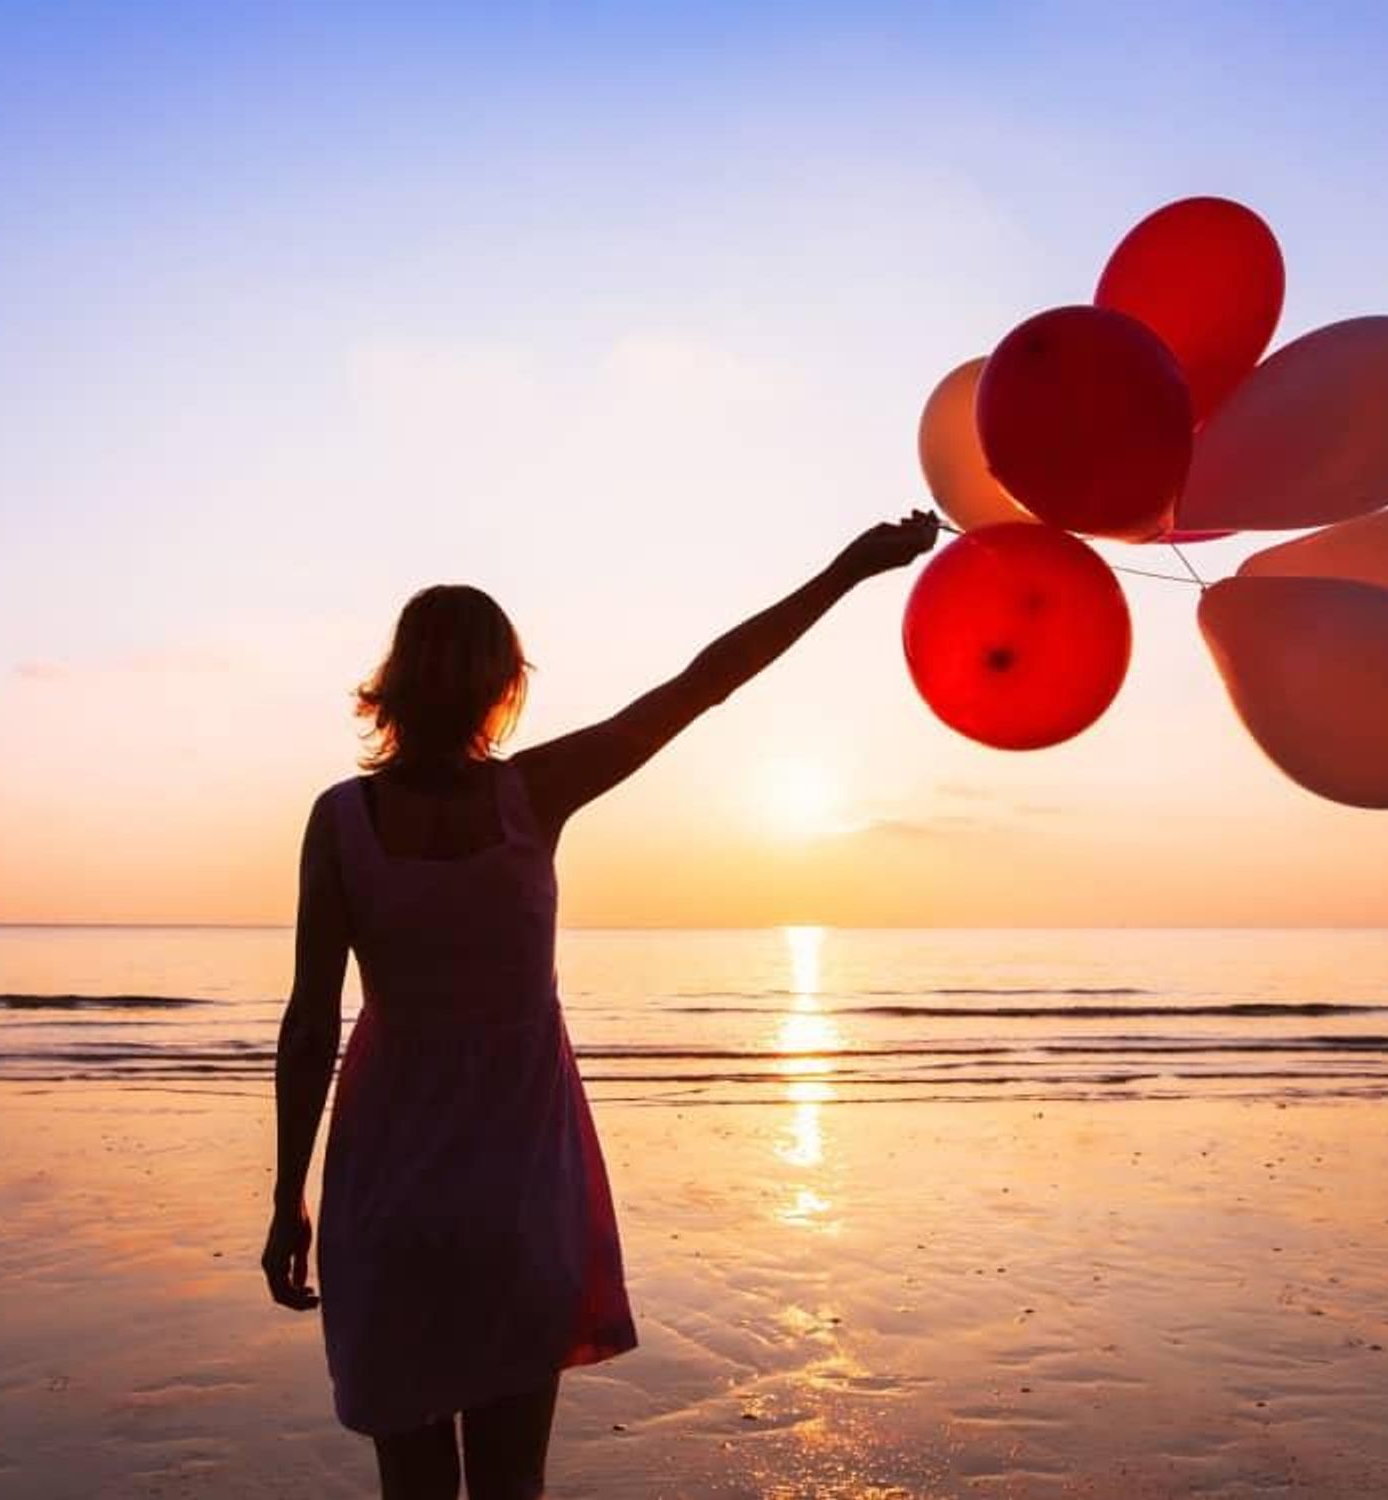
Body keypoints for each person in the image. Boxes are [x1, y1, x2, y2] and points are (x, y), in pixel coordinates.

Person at [261, 511, 938, 1500]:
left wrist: (288, 1197)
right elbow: (705, 682)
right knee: (509, 1487)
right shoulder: (532, 794)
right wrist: (849, 569)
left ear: (393, 682)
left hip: (386, 1191)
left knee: (412, 1489)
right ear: (505, 686)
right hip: (519, 1189)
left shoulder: (342, 821)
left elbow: (309, 1021)